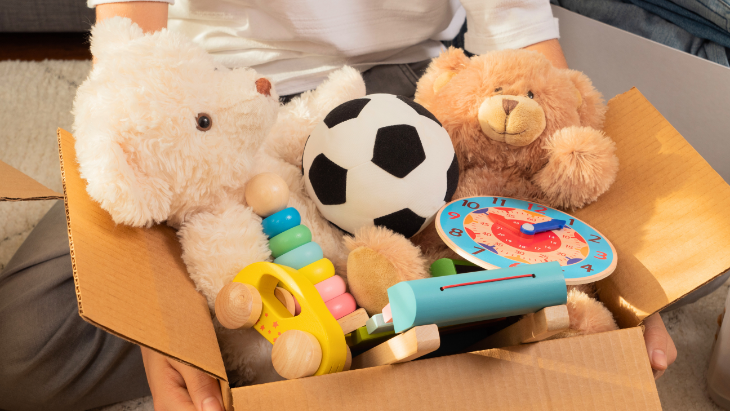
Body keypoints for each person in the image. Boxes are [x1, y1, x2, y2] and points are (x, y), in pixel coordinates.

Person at [0, 1, 686, 410]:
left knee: (659, 263)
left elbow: (521, 42)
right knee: (20, 347)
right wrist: (156, 310)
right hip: (208, 97)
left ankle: (360, 319)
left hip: (404, 84)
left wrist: (592, 254)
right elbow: (126, 46)